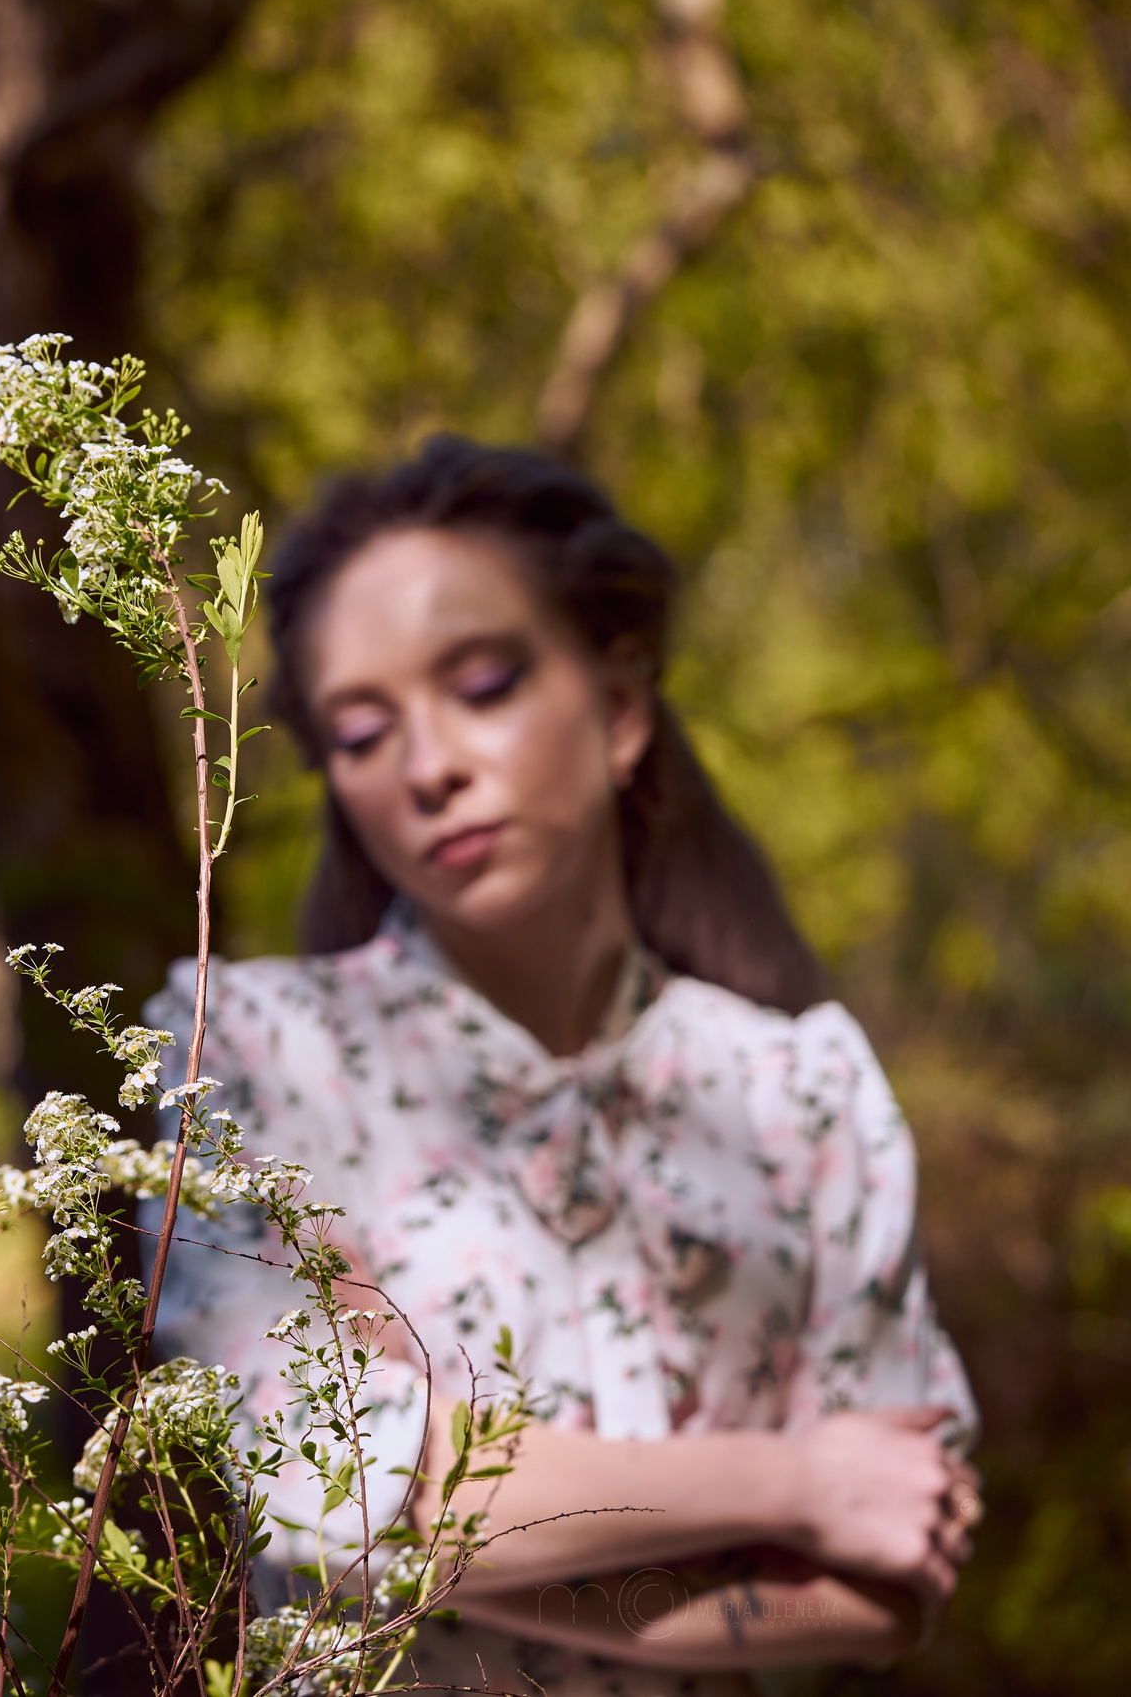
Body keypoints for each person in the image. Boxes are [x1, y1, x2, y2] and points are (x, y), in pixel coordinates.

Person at [145, 437, 980, 1695]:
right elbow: (318, 1492)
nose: (430, 768)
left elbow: (883, 1581)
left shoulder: (804, 1091)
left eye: (482, 683)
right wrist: (796, 1484)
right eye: (362, 733)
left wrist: (438, 1502)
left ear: (622, 706)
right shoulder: (251, 1059)